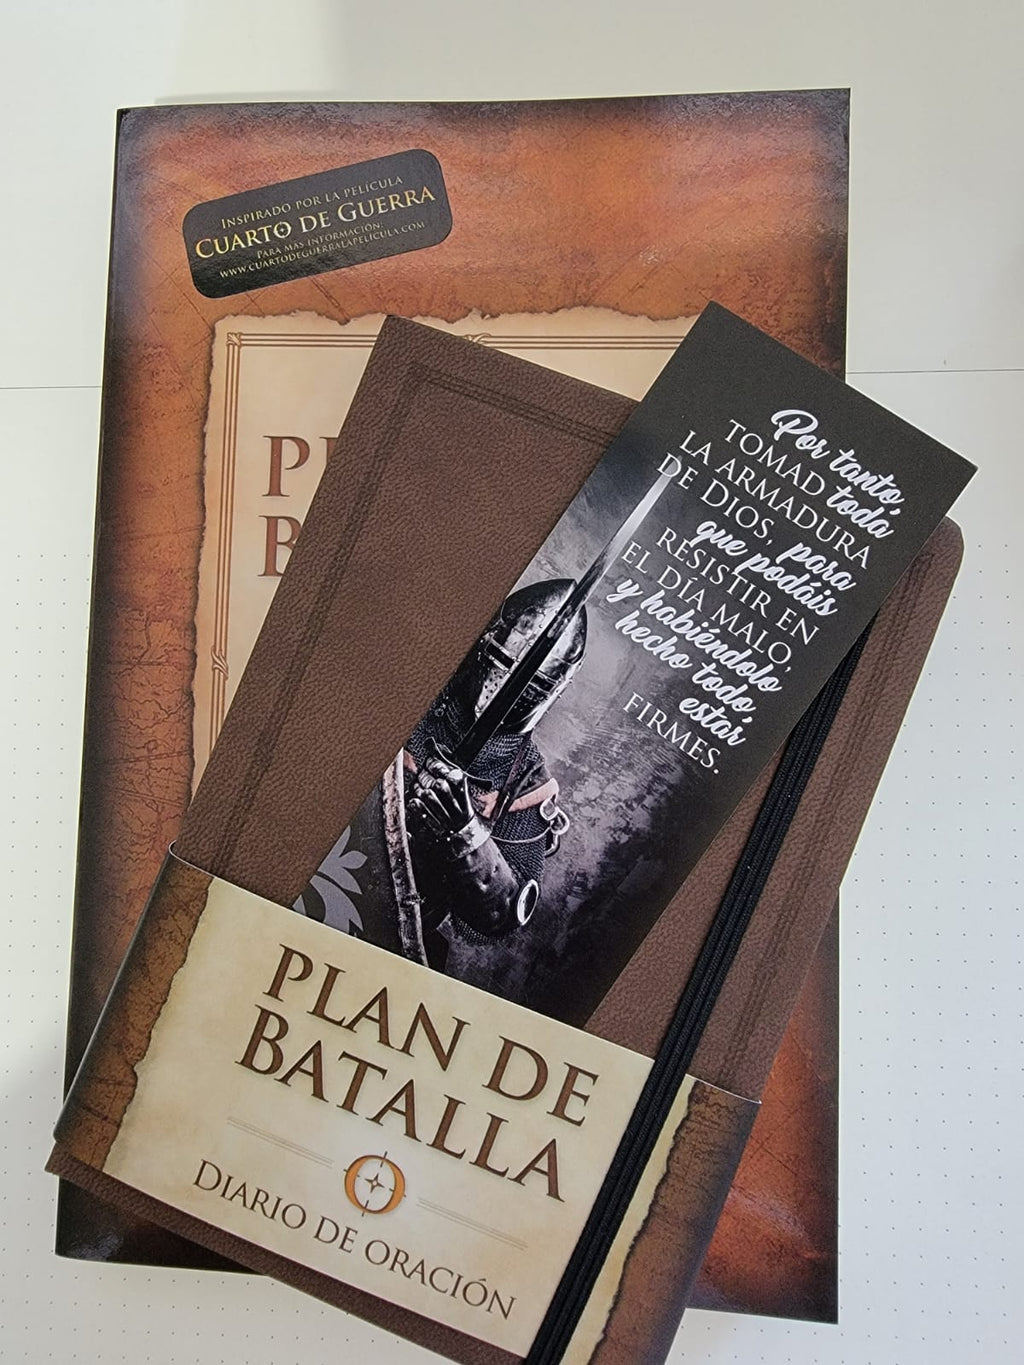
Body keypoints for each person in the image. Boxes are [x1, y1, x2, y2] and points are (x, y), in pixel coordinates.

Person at [404, 578, 585, 970]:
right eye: (503, 659)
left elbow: (503, 914)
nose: (508, 688)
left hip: (399, 922)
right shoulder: (414, 691)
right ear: (485, 641)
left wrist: (465, 831)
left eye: (535, 684)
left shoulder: (526, 782)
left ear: (554, 691)